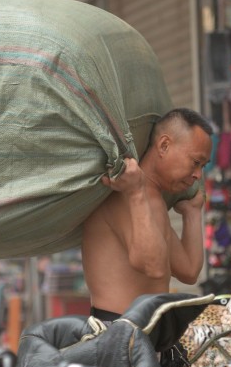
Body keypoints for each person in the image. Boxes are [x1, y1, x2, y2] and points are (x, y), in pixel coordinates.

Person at [81, 107, 213, 320]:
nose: (198, 174)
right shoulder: (124, 192)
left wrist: (192, 213)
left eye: (203, 166)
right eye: (195, 162)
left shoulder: (152, 198)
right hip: (116, 333)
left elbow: (188, 271)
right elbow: (154, 267)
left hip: (145, 334)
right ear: (164, 145)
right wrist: (135, 193)